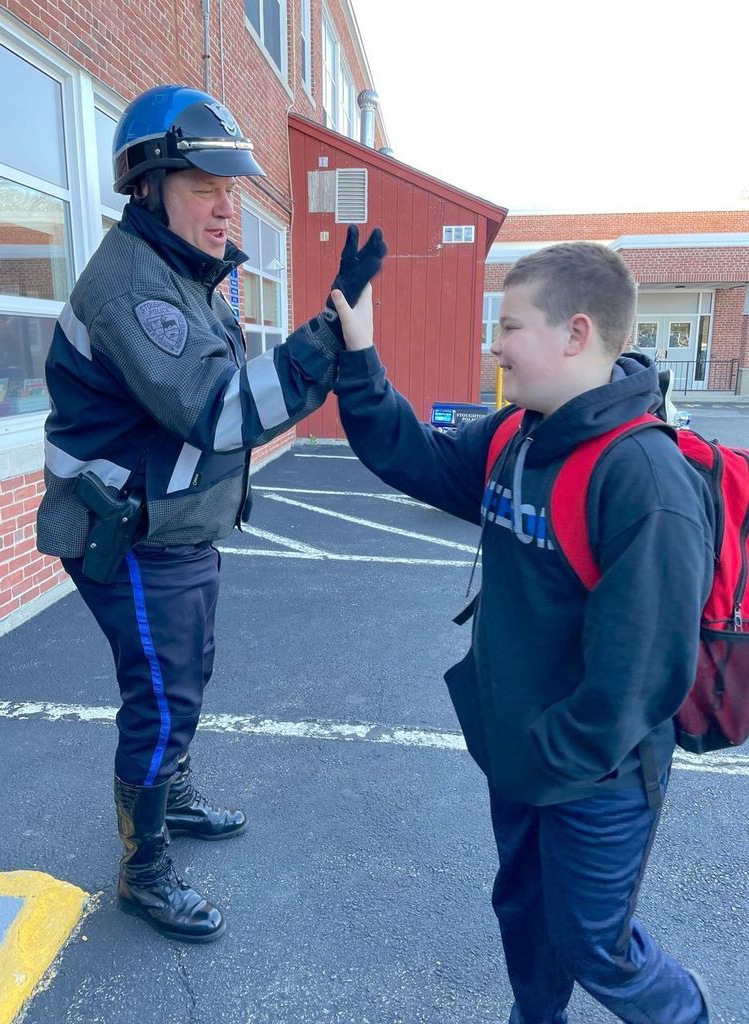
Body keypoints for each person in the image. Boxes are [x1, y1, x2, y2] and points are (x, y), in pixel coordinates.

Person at [36, 84, 385, 944]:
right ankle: (142, 872)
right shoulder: (134, 286)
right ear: (148, 187)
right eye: (205, 186)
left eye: (232, 188)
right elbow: (220, 410)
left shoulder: (185, 274)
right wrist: (329, 339)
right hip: (129, 534)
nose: (228, 206)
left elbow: (224, 397)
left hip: (172, 528)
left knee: (184, 676)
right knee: (160, 697)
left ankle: (173, 797)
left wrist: (315, 332)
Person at [330, 242, 714, 1024]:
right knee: (527, 920)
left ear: (576, 334)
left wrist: (541, 758)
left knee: (593, 945)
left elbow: (640, 675)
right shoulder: (518, 435)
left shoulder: (644, 479)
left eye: (509, 326)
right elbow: (418, 460)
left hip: (596, 775)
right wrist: (360, 358)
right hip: (522, 755)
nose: (493, 345)